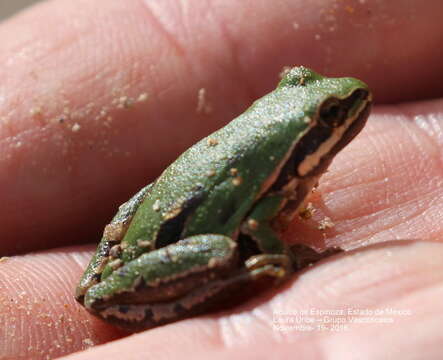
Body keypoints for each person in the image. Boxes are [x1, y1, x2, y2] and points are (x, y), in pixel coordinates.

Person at [1, 0, 442, 359]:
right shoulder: (280, 180)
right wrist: (285, 259)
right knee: (225, 248)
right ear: (302, 144)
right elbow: (254, 224)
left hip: (153, 228)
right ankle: (214, 278)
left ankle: (111, 269)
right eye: (329, 117)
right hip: (181, 242)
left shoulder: (283, 160)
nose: (344, 106)